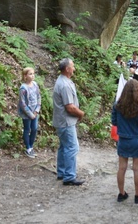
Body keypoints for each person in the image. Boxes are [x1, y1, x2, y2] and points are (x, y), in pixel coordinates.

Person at [112, 79, 138, 204]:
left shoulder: (117, 105)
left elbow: (114, 122)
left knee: (122, 168)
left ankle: (121, 193)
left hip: (123, 139)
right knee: (137, 169)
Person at [52, 58, 85, 186]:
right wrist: (80, 113)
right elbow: (70, 107)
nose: (74, 68)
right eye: (73, 66)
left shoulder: (64, 81)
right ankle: (69, 176)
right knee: (72, 147)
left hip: (63, 121)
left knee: (64, 146)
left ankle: (61, 172)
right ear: (67, 69)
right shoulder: (64, 85)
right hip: (66, 122)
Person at [18, 67, 41, 158]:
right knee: (27, 129)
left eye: (33, 74)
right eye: (30, 74)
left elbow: (39, 97)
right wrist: (30, 114)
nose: (32, 75)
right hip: (27, 113)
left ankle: (31, 146)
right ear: (25, 76)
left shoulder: (35, 84)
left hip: (35, 112)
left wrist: (36, 110)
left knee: (34, 129)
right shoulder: (23, 88)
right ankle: (28, 148)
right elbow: (22, 103)